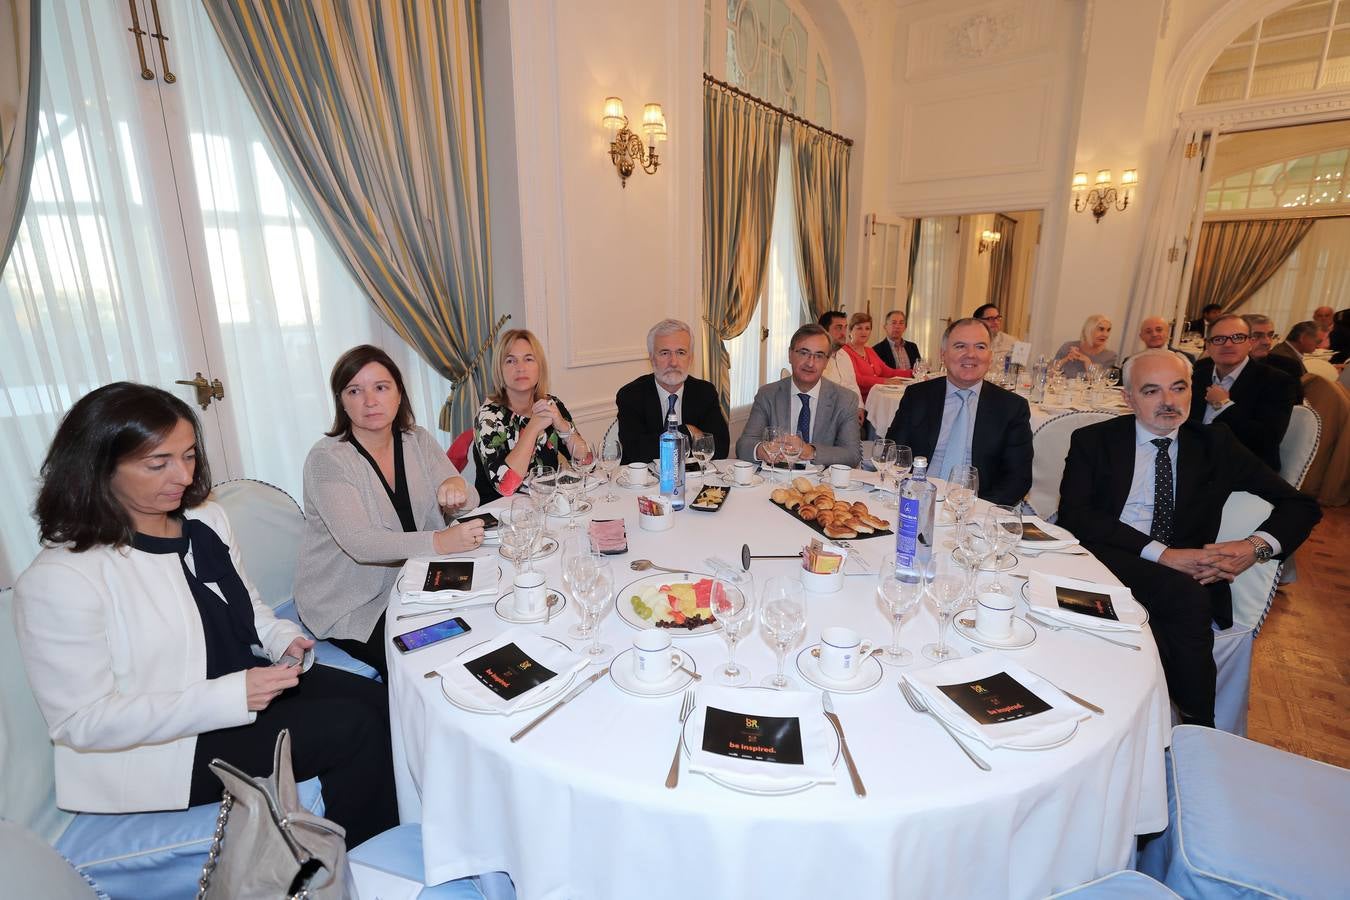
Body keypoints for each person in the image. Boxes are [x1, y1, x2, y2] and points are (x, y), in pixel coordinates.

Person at [14, 383, 398, 847]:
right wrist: (229, 694)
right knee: (352, 731)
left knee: (387, 704)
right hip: (162, 747)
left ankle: (413, 843)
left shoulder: (205, 520)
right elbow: (82, 721)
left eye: (189, 455)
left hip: (242, 684)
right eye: (159, 463)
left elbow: (245, 603)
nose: (182, 475)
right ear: (98, 468)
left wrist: (280, 638)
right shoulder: (62, 577)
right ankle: (366, 870)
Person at [1057, 350, 1320, 727]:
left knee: (1183, 597)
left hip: (1187, 576)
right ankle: (1196, 728)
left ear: (1192, 391)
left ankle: (1173, 729)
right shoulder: (1094, 441)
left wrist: (1254, 548)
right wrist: (1164, 554)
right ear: (1128, 398)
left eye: (1178, 388)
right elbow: (1077, 517)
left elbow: (1301, 505)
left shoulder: (1215, 444)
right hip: (1107, 558)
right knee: (1184, 598)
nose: (1168, 402)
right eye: (1151, 391)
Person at [297, 345, 482, 680]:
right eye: (355, 391)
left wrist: (456, 484)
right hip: (354, 603)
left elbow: (470, 501)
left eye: (380, 388)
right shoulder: (328, 460)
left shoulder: (417, 440)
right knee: (427, 666)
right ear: (342, 400)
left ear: (399, 394)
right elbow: (362, 543)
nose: (369, 401)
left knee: (481, 625)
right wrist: (441, 542)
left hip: (416, 581)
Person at [884, 318, 1032, 506]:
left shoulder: (1011, 407)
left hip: (977, 508)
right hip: (917, 501)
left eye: (980, 347)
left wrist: (976, 511)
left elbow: (1018, 478)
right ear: (943, 355)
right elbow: (894, 453)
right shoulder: (918, 396)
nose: (971, 355)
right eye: (960, 346)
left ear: (990, 355)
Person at [474, 328, 592, 501]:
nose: (520, 368)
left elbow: (586, 463)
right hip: (500, 516)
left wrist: (563, 427)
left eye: (528, 359)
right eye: (510, 361)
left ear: (540, 367)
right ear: (499, 369)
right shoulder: (489, 417)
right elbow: (506, 487)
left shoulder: (552, 405)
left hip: (545, 506)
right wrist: (533, 427)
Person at [736, 323, 861, 467]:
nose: (810, 363)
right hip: (776, 481)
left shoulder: (845, 399)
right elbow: (744, 445)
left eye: (819, 356)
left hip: (823, 485)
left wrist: (811, 451)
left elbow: (852, 454)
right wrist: (760, 450)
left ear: (827, 362)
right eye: (803, 353)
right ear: (790, 355)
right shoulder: (768, 394)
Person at [1187, 314, 1298, 472]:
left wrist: (1223, 405)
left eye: (1237, 337)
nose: (1228, 345)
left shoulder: (1277, 381)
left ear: (1250, 343)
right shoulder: (1198, 375)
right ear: (1208, 346)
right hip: (1195, 462)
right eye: (1219, 339)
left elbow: (1267, 439)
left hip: (1244, 468)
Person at [615, 318, 730, 464]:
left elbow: (720, 449)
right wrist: (687, 431)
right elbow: (635, 452)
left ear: (691, 358)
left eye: (681, 352)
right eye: (664, 353)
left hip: (691, 480)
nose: (673, 362)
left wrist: (658, 442)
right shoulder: (631, 395)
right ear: (651, 358)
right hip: (646, 483)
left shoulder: (704, 392)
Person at [840, 311, 911, 401]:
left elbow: (889, 372)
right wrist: (885, 381)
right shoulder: (844, 351)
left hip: (877, 398)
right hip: (859, 402)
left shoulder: (869, 350)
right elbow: (857, 379)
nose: (864, 332)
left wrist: (912, 373)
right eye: (859, 328)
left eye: (867, 328)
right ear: (850, 330)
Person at [818, 310, 865, 426]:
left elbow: (852, 385)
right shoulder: (817, 358)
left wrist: (859, 407)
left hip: (846, 412)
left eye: (845, 328)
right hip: (826, 415)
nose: (844, 333)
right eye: (838, 328)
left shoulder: (844, 355)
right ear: (824, 330)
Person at [1053, 314, 1119, 379]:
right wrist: (1066, 359)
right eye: (1101, 329)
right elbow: (1049, 374)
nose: (1105, 334)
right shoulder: (1068, 347)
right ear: (1089, 330)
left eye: (1108, 330)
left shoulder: (1110, 356)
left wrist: (1088, 362)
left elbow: (1099, 384)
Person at [1127, 316, 1195, 365]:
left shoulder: (1186, 359)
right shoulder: (1131, 362)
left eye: (1159, 330)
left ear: (1167, 332)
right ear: (1141, 337)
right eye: (1148, 331)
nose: (1154, 334)